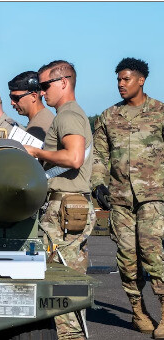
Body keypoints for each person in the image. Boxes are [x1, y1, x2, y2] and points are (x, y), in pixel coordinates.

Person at [91, 57, 164, 337]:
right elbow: (99, 154)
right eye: (118, 80)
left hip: (153, 197)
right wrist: (99, 184)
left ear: (141, 80)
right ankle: (138, 311)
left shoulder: (159, 112)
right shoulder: (109, 116)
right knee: (126, 258)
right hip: (120, 198)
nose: (121, 84)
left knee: (152, 253)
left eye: (126, 79)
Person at [24, 60, 95, 340]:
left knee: (62, 286)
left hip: (64, 208)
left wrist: (36, 153)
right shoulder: (68, 114)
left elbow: (74, 157)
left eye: (44, 86)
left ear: (63, 82)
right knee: (65, 280)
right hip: (66, 207)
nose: (41, 93)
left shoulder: (68, 115)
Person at [8, 71, 55, 141]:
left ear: (33, 96)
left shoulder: (38, 128)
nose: (12, 103)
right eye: (11, 97)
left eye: (16, 98)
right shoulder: (42, 118)